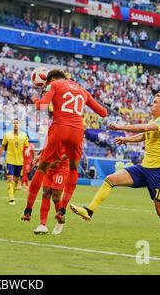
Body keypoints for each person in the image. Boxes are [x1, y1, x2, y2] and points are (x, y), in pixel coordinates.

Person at [70, 93, 160, 255]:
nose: (151, 105)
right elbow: (143, 135)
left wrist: (120, 128)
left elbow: (145, 128)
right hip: (143, 168)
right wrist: (126, 140)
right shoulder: (155, 122)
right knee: (110, 179)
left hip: (158, 172)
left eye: (155, 103)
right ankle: (89, 210)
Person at [22, 69, 107, 222]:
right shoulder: (82, 90)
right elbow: (103, 113)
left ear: (52, 79)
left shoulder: (54, 85)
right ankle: (62, 210)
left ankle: (28, 211)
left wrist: (35, 99)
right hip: (77, 131)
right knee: (74, 168)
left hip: (59, 127)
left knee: (42, 167)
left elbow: (42, 106)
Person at [33, 151, 70, 235]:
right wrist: (41, 156)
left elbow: (66, 154)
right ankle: (42, 225)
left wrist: (46, 161)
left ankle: (60, 221)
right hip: (50, 168)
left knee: (55, 196)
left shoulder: (68, 139)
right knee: (45, 193)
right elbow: (49, 147)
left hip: (61, 168)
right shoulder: (52, 137)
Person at [0, 118, 29, 205]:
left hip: (19, 161)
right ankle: (11, 199)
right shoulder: (7, 135)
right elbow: (2, 147)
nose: (15, 124)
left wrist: (27, 150)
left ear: (20, 124)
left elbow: (27, 146)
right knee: (10, 178)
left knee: (16, 180)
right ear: (12, 124)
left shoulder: (24, 136)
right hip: (10, 160)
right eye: (14, 123)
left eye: (17, 123)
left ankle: (11, 196)